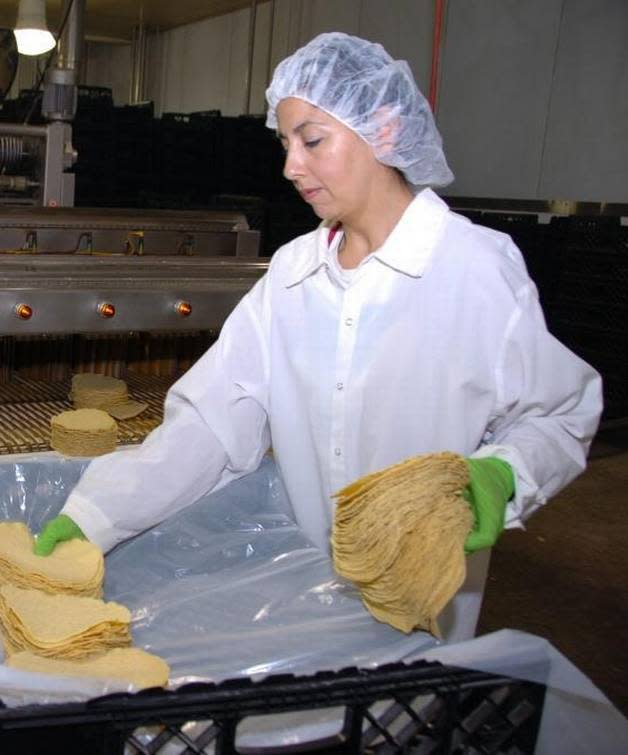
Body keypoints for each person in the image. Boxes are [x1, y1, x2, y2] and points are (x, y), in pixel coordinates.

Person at [33, 32, 602, 642]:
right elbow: (214, 423)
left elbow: (559, 413)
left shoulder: (472, 268)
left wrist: (502, 474)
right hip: (312, 591)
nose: (290, 166)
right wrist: (99, 513)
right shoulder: (294, 273)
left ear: (383, 128)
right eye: (284, 143)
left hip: (426, 602)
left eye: (311, 140)